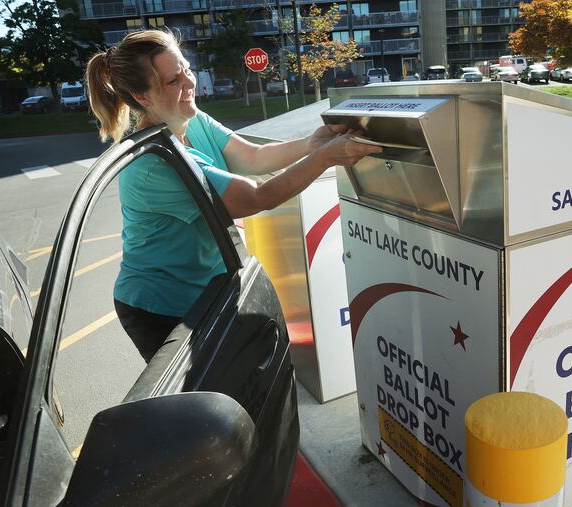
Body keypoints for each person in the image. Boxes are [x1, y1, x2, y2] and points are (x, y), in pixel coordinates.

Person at [85, 30, 380, 361]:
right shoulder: (154, 162)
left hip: (206, 289)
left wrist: (313, 143)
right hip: (159, 307)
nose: (189, 84)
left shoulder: (190, 120)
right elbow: (256, 197)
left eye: (186, 70)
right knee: (200, 404)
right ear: (142, 96)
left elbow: (253, 158)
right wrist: (326, 157)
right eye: (173, 81)